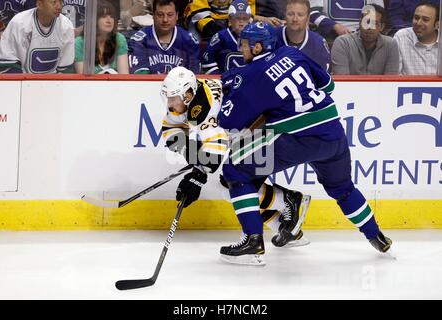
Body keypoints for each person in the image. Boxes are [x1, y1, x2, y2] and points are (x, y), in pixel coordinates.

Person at [213, 22, 392, 265]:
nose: (241, 50)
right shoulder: (292, 53)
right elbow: (328, 85)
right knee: (343, 189)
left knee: (235, 169)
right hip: (333, 134)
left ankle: (253, 240)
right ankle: (376, 236)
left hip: (298, 138)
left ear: (256, 47)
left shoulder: (251, 75)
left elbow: (228, 120)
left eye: (244, 45)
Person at [161, 66, 311, 249]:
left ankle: (287, 200)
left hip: (263, 129)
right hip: (245, 131)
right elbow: (170, 127)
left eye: (173, 98)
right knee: (229, 186)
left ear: (188, 94)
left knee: (231, 183)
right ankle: (281, 226)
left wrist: (197, 175)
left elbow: (212, 159)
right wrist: (190, 152)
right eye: (168, 97)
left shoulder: (205, 110)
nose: (170, 104)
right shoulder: (192, 96)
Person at [0, 0, 74, 73]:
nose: (59, 7)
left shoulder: (66, 25)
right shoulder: (19, 23)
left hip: (53, 82)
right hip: (23, 81)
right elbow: (8, 63)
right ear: (39, 4)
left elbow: (65, 68)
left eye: (61, 2)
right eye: (53, 2)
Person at [128, 0, 200, 74]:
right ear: (153, 15)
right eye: (160, 14)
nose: (165, 20)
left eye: (170, 15)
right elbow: (140, 78)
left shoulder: (189, 41)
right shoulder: (139, 40)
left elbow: (194, 76)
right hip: (149, 85)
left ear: (177, 15)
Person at [331, 4, 399, 74]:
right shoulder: (343, 43)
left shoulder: (390, 45)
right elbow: (342, 80)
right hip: (349, 85)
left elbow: (391, 80)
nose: (369, 27)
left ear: (382, 27)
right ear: (360, 23)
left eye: (374, 23)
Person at [184, 0, 284, 41]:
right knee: (193, 41)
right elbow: (198, 12)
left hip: (232, 19)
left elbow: (246, 8)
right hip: (202, 21)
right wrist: (218, 31)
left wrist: (235, 22)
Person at [74, 0, 129, 74]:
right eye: (104, 17)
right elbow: (83, 78)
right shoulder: (80, 42)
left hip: (115, 85)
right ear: (93, 20)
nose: (109, 20)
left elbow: (124, 76)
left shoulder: (119, 39)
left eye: (112, 17)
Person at [276, 0, 331, 72]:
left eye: (300, 15)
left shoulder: (319, 44)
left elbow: (323, 79)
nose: (295, 19)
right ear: (285, 16)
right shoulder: (271, 37)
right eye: (290, 14)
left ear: (308, 18)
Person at [201, 0, 252, 74]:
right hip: (223, 81)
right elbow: (208, 61)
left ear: (249, 19)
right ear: (230, 19)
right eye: (237, 17)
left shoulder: (256, 37)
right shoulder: (221, 37)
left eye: (244, 18)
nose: (241, 21)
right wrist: (219, 77)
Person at [393, 1, 439, 75]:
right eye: (416, 18)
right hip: (407, 86)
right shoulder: (401, 36)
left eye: (425, 20)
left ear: (437, 25)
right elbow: (396, 75)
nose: (418, 23)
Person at [309, 0, 385, 39]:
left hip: (363, 37)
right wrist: (334, 26)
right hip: (329, 36)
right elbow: (312, 13)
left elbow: (378, 14)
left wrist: (361, 31)